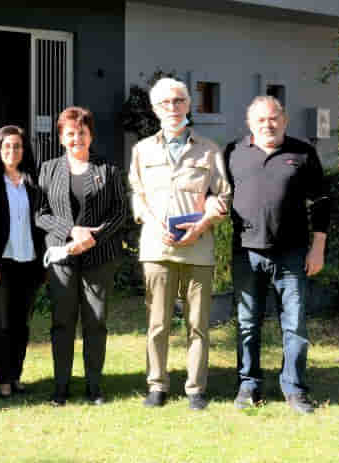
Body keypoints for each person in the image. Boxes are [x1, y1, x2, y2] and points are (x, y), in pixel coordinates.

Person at [128, 78, 232, 410]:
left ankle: (195, 389)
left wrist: (203, 224)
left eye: (178, 101)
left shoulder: (209, 149)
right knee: (157, 323)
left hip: (198, 249)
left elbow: (223, 195)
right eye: (164, 103)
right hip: (157, 248)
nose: (172, 108)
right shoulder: (142, 150)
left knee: (197, 324)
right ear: (155, 109)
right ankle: (157, 386)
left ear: (188, 105)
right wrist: (151, 221)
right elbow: (137, 195)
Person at [225, 96, 329, 414]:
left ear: (283, 120)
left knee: (294, 324)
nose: (267, 125)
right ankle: (249, 385)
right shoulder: (233, 153)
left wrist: (318, 248)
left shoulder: (302, 153)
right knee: (247, 323)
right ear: (249, 123)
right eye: (260, 120)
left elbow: (323, 201)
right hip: (247, 252)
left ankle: (294, 388)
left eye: (273, 118)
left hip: (293, 254)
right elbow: (217, 193)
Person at [35, 106, 128, 406]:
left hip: (99, 256)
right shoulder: (48, 169)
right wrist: (72, 231)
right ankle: (60, 387)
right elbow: (40, 214)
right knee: (62, 322)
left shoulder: (108, 169)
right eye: (71, 133)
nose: (77, 138)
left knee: (95, 321)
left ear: (91, 136)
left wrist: (92, 238)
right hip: (62, 257)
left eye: (82, 133)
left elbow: (120, 212)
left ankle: (94, 387)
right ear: (62, 138)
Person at [0, 125, 44, 398]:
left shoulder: (33, 180)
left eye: (17, 146)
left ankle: (16, 376)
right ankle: (3, 379)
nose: (12, 151)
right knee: (2, 324)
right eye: (7, 146)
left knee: (22, 324)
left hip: (30, 262)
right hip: (0, 265)